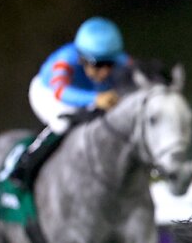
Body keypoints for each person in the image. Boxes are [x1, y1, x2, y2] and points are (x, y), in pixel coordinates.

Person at [8, 16, 131, 190]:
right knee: (63, 123)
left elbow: (134, 67)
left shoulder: (111, 55)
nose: (105, 71)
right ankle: (25, 165)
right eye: (98, 64)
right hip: (49, 94)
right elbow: (60, 91)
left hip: (87, 94)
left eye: (110, 64)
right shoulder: (66, 60)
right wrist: (95, 99)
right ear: (82, 58)